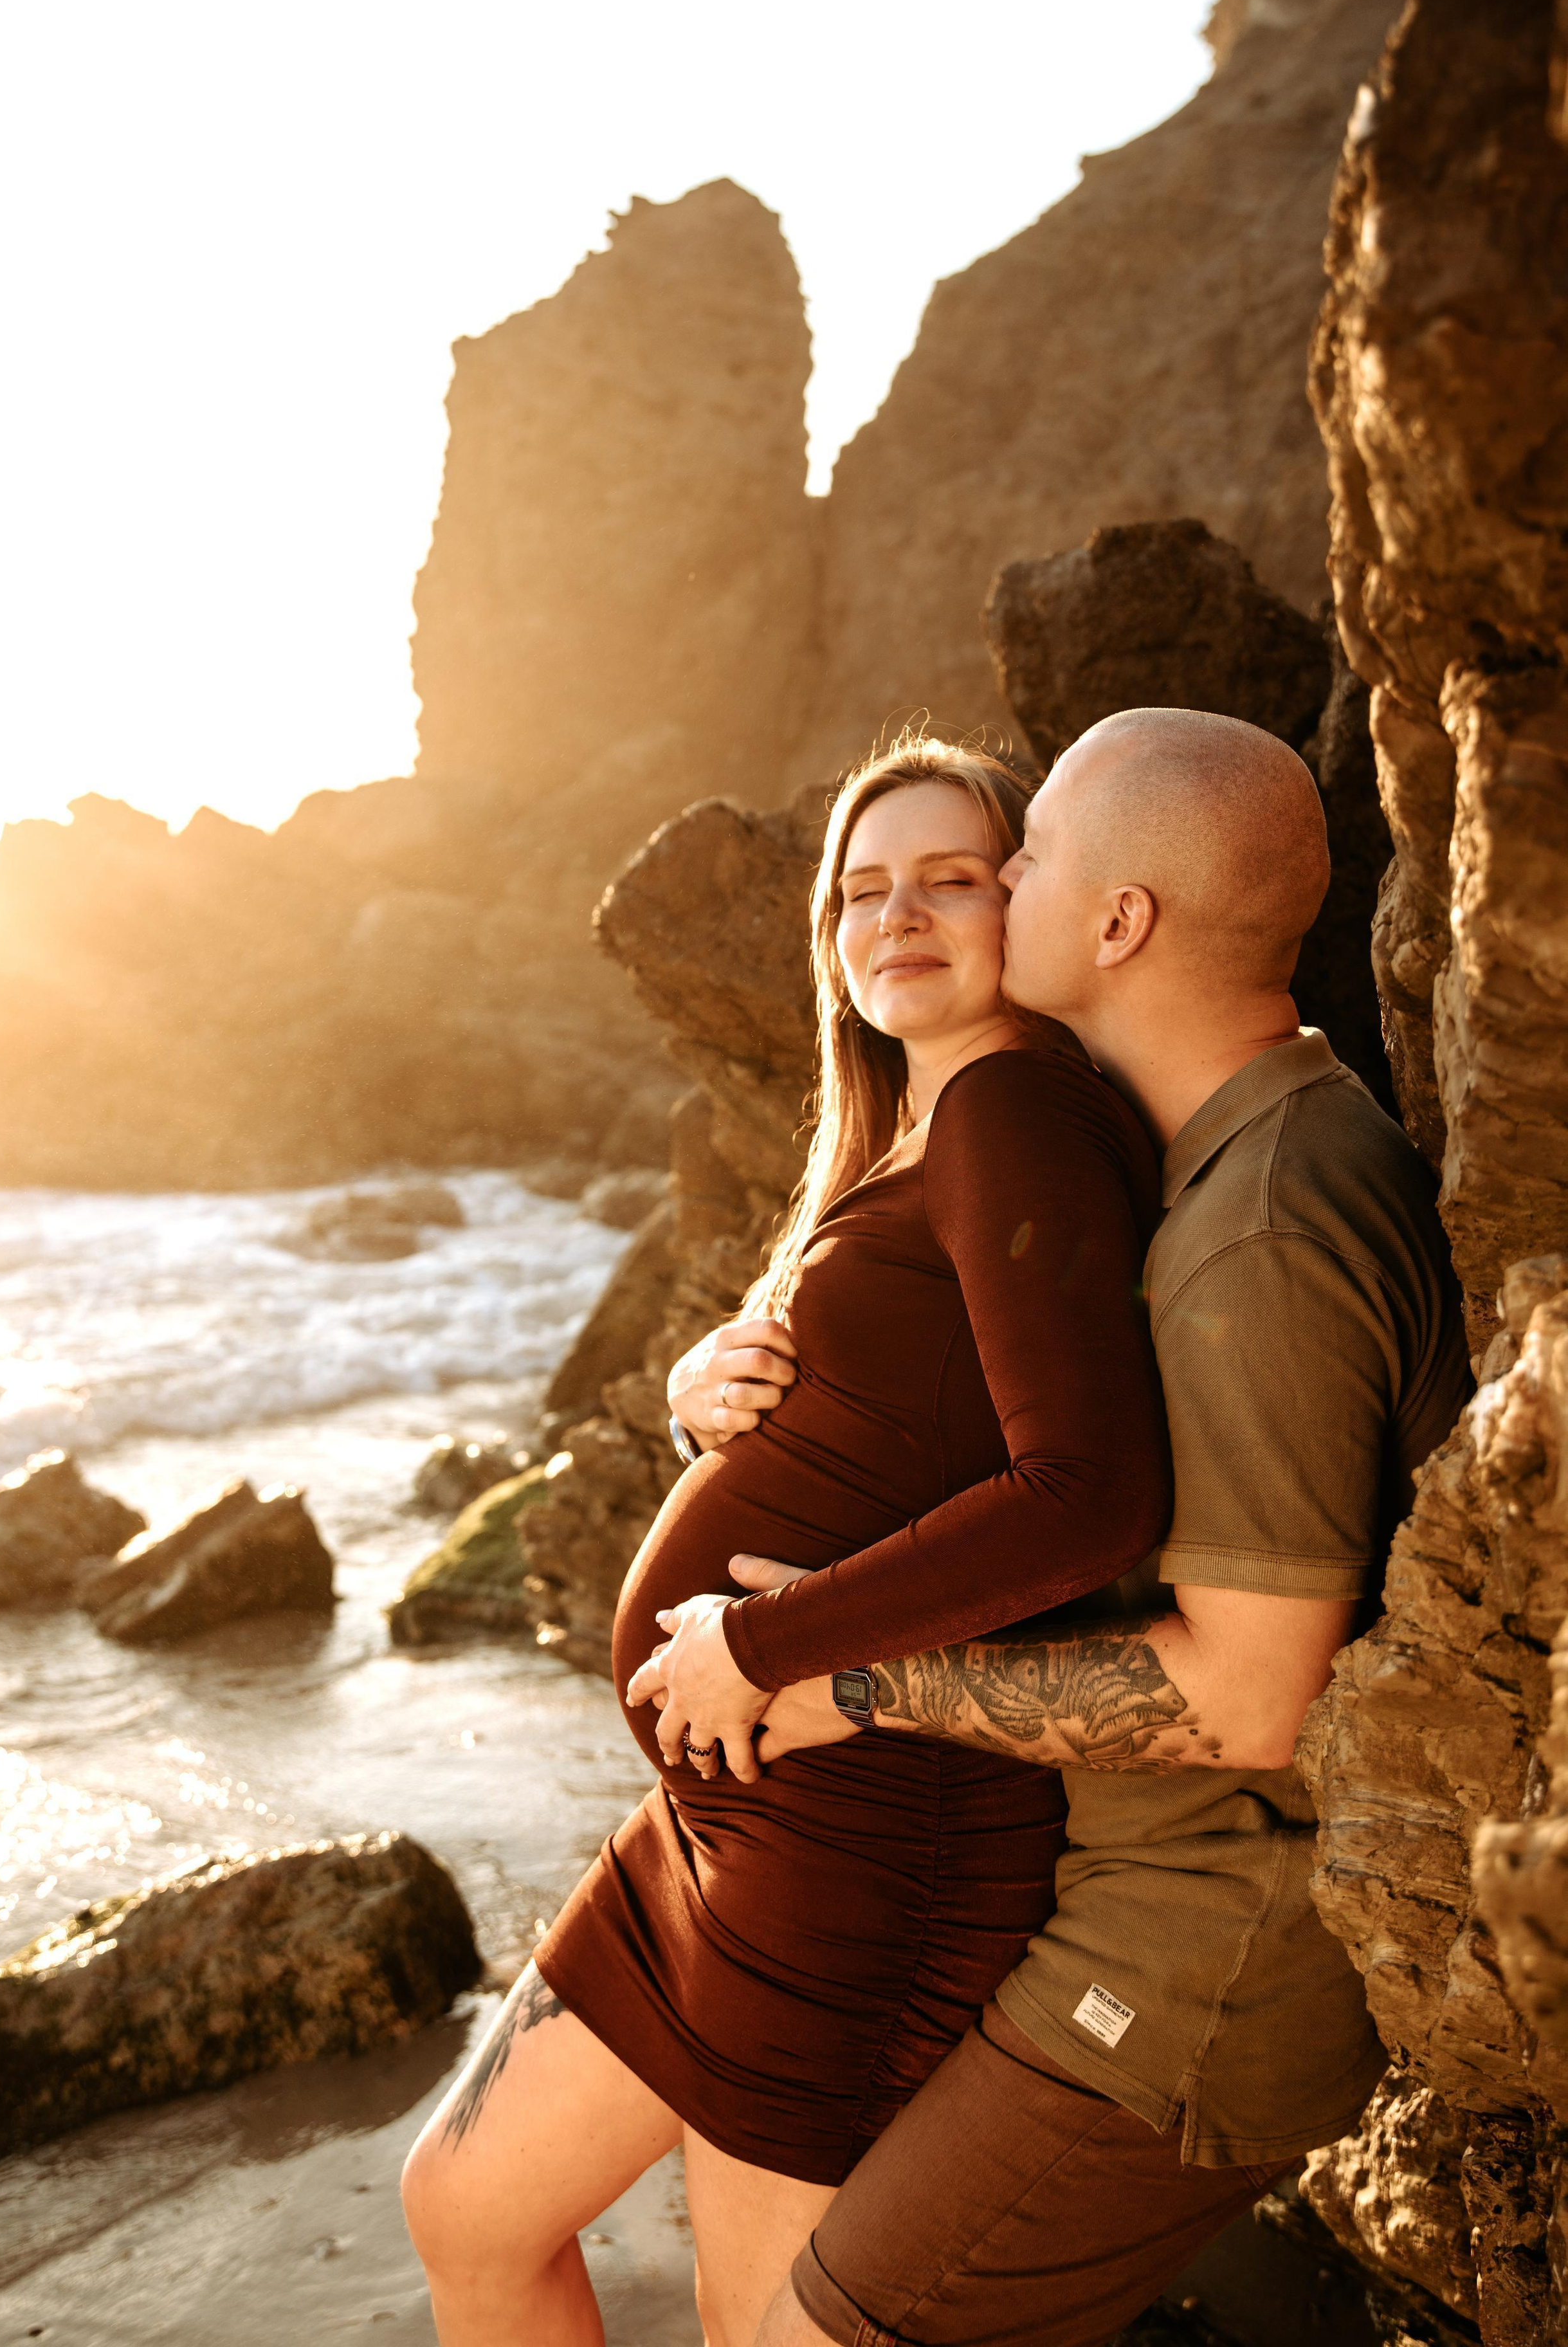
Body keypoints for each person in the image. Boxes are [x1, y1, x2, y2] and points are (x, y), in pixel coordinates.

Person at [641, 706, 1472, 2347]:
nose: (982, 885)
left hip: (1187, 1967)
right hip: (1107, 1892)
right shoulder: (1206, 1150)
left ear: (1113, 924)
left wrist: (835, 1682)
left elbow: (1242, 1695)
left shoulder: (1260, 1235)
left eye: (1016, 863)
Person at [400, 735, 1172, 2347]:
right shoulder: (914, 1135)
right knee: (467, 2209)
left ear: (1025, 897)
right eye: (861, 890)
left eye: (949, 879)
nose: (898, 914)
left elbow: (1089, 1491)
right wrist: (714, 1401)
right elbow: (907, 1419)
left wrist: (761, 1638)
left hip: (858, 1853)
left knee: (754, 2334)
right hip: (721, 1828)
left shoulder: (1017, 1116)